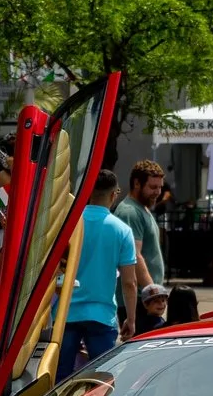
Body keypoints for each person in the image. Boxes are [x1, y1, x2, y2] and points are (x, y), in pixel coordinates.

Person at [56, 167, 143, 380]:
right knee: (103, 381)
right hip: (101, 315)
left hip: (65, 312)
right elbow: (129, 283)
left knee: (60, 380)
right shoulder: (122, 230)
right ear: (114, 194)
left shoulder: (69, 224)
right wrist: (131, 319)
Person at [115, 160, 168, 330]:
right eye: (153, 187)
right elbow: (135, 256)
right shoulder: (130, 212)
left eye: (160, 187)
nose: (158, 193)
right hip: (140, 300)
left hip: (144, 299)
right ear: (137, 183)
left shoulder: (142, 209)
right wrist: (153, 294)